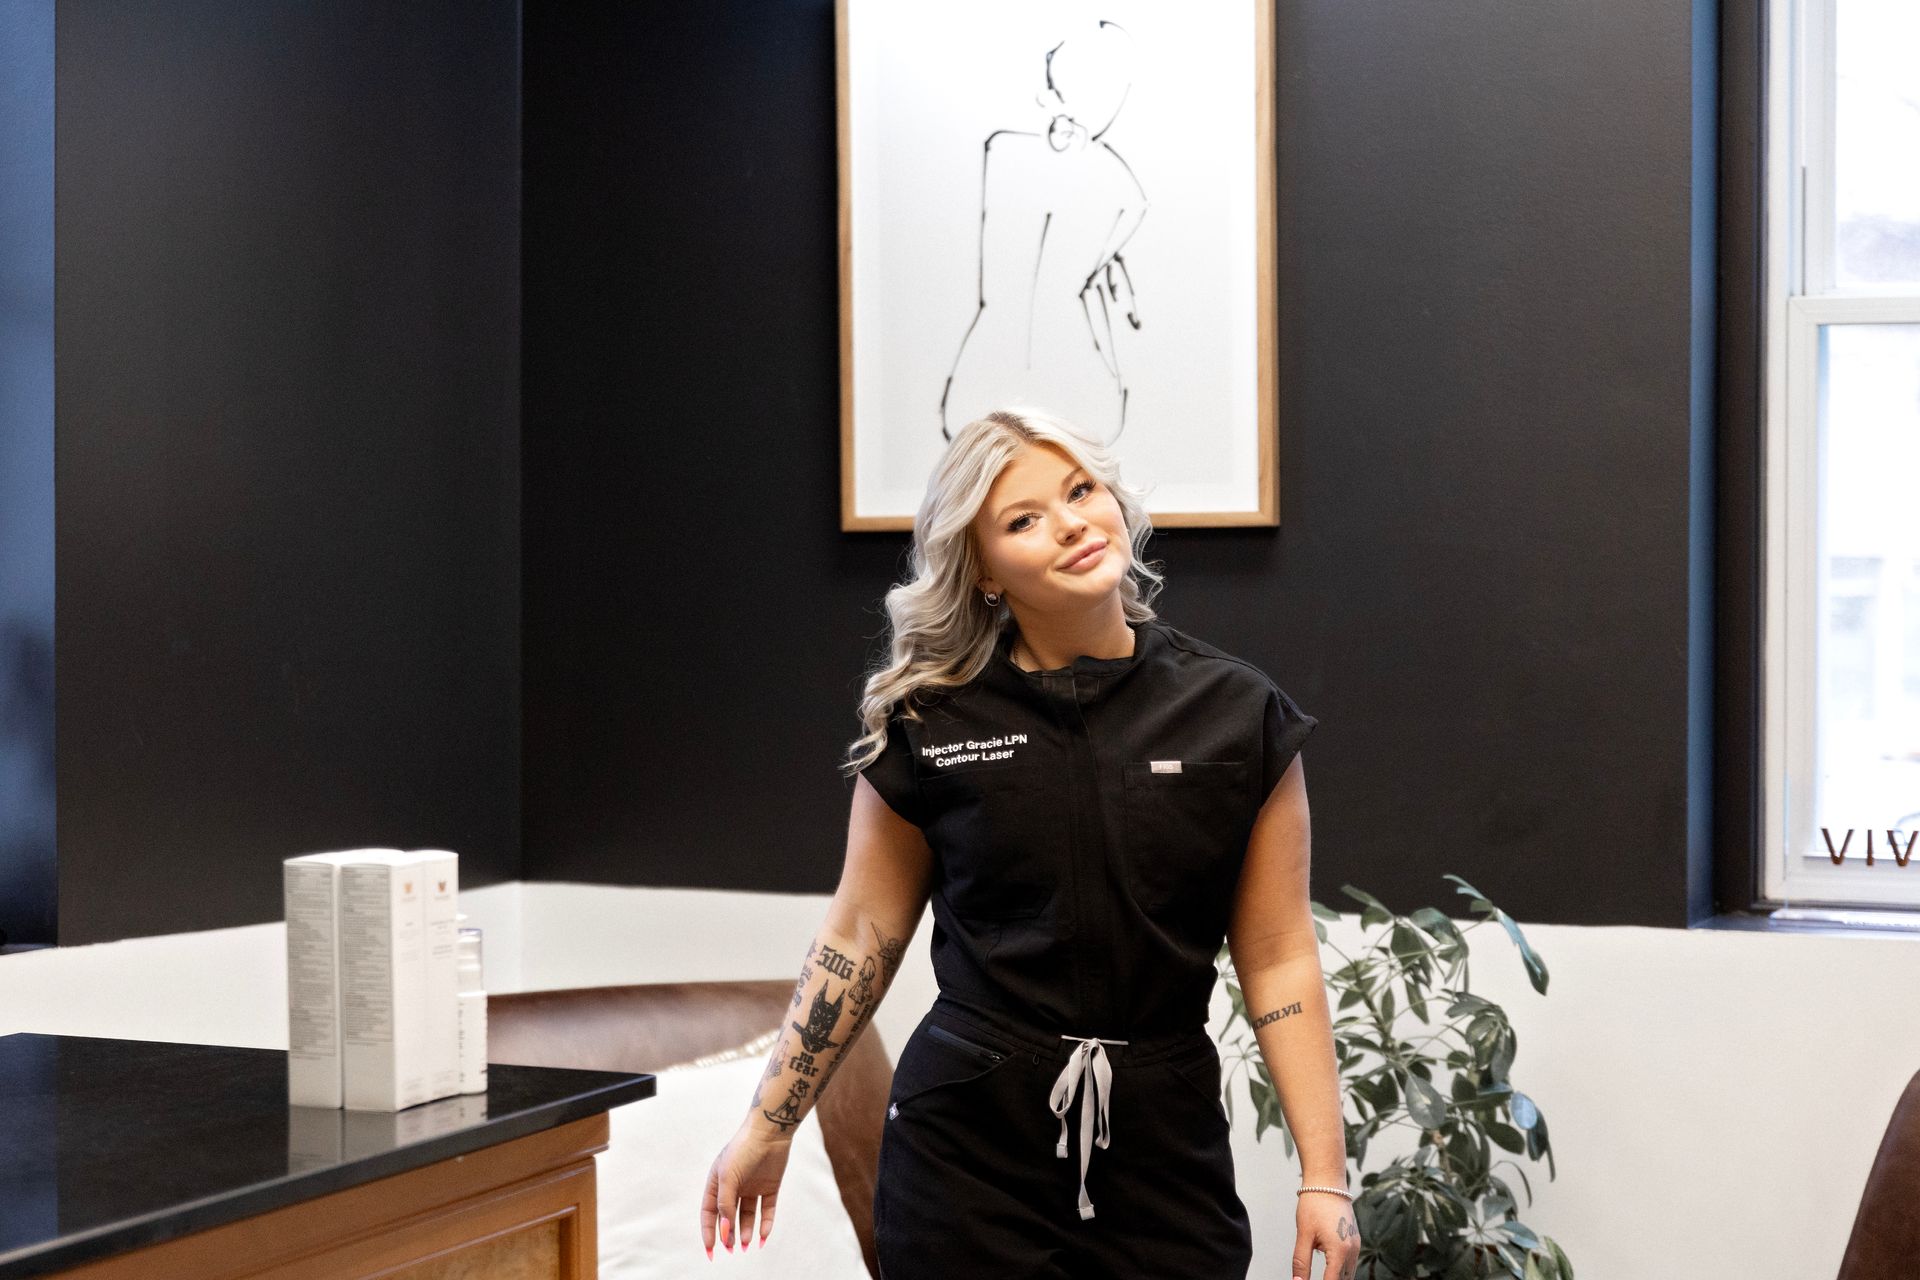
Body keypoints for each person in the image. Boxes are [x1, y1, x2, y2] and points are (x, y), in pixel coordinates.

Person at [701, 407, 1358, 1280]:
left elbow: (1277, 954)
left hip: (1165, 1146)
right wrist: (769, 1124)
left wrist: (1326, 1176)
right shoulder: (929, 722)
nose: (1073, 522)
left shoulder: (1240, 715)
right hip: (967, 1153)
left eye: (1080, 490)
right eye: (1023, 520)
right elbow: (861, 932)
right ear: (983, 576)